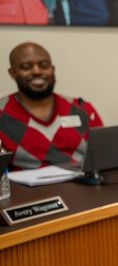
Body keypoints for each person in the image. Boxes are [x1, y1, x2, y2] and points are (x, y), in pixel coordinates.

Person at [0, 42, 103, 170]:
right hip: (27, 189)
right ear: (12, 73)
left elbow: (104, 154)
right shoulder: (2, 112)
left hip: (82, 185)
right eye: (26, 67)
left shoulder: (81, 108)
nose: (37, 71)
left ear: (52, 69)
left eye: (43, 66)